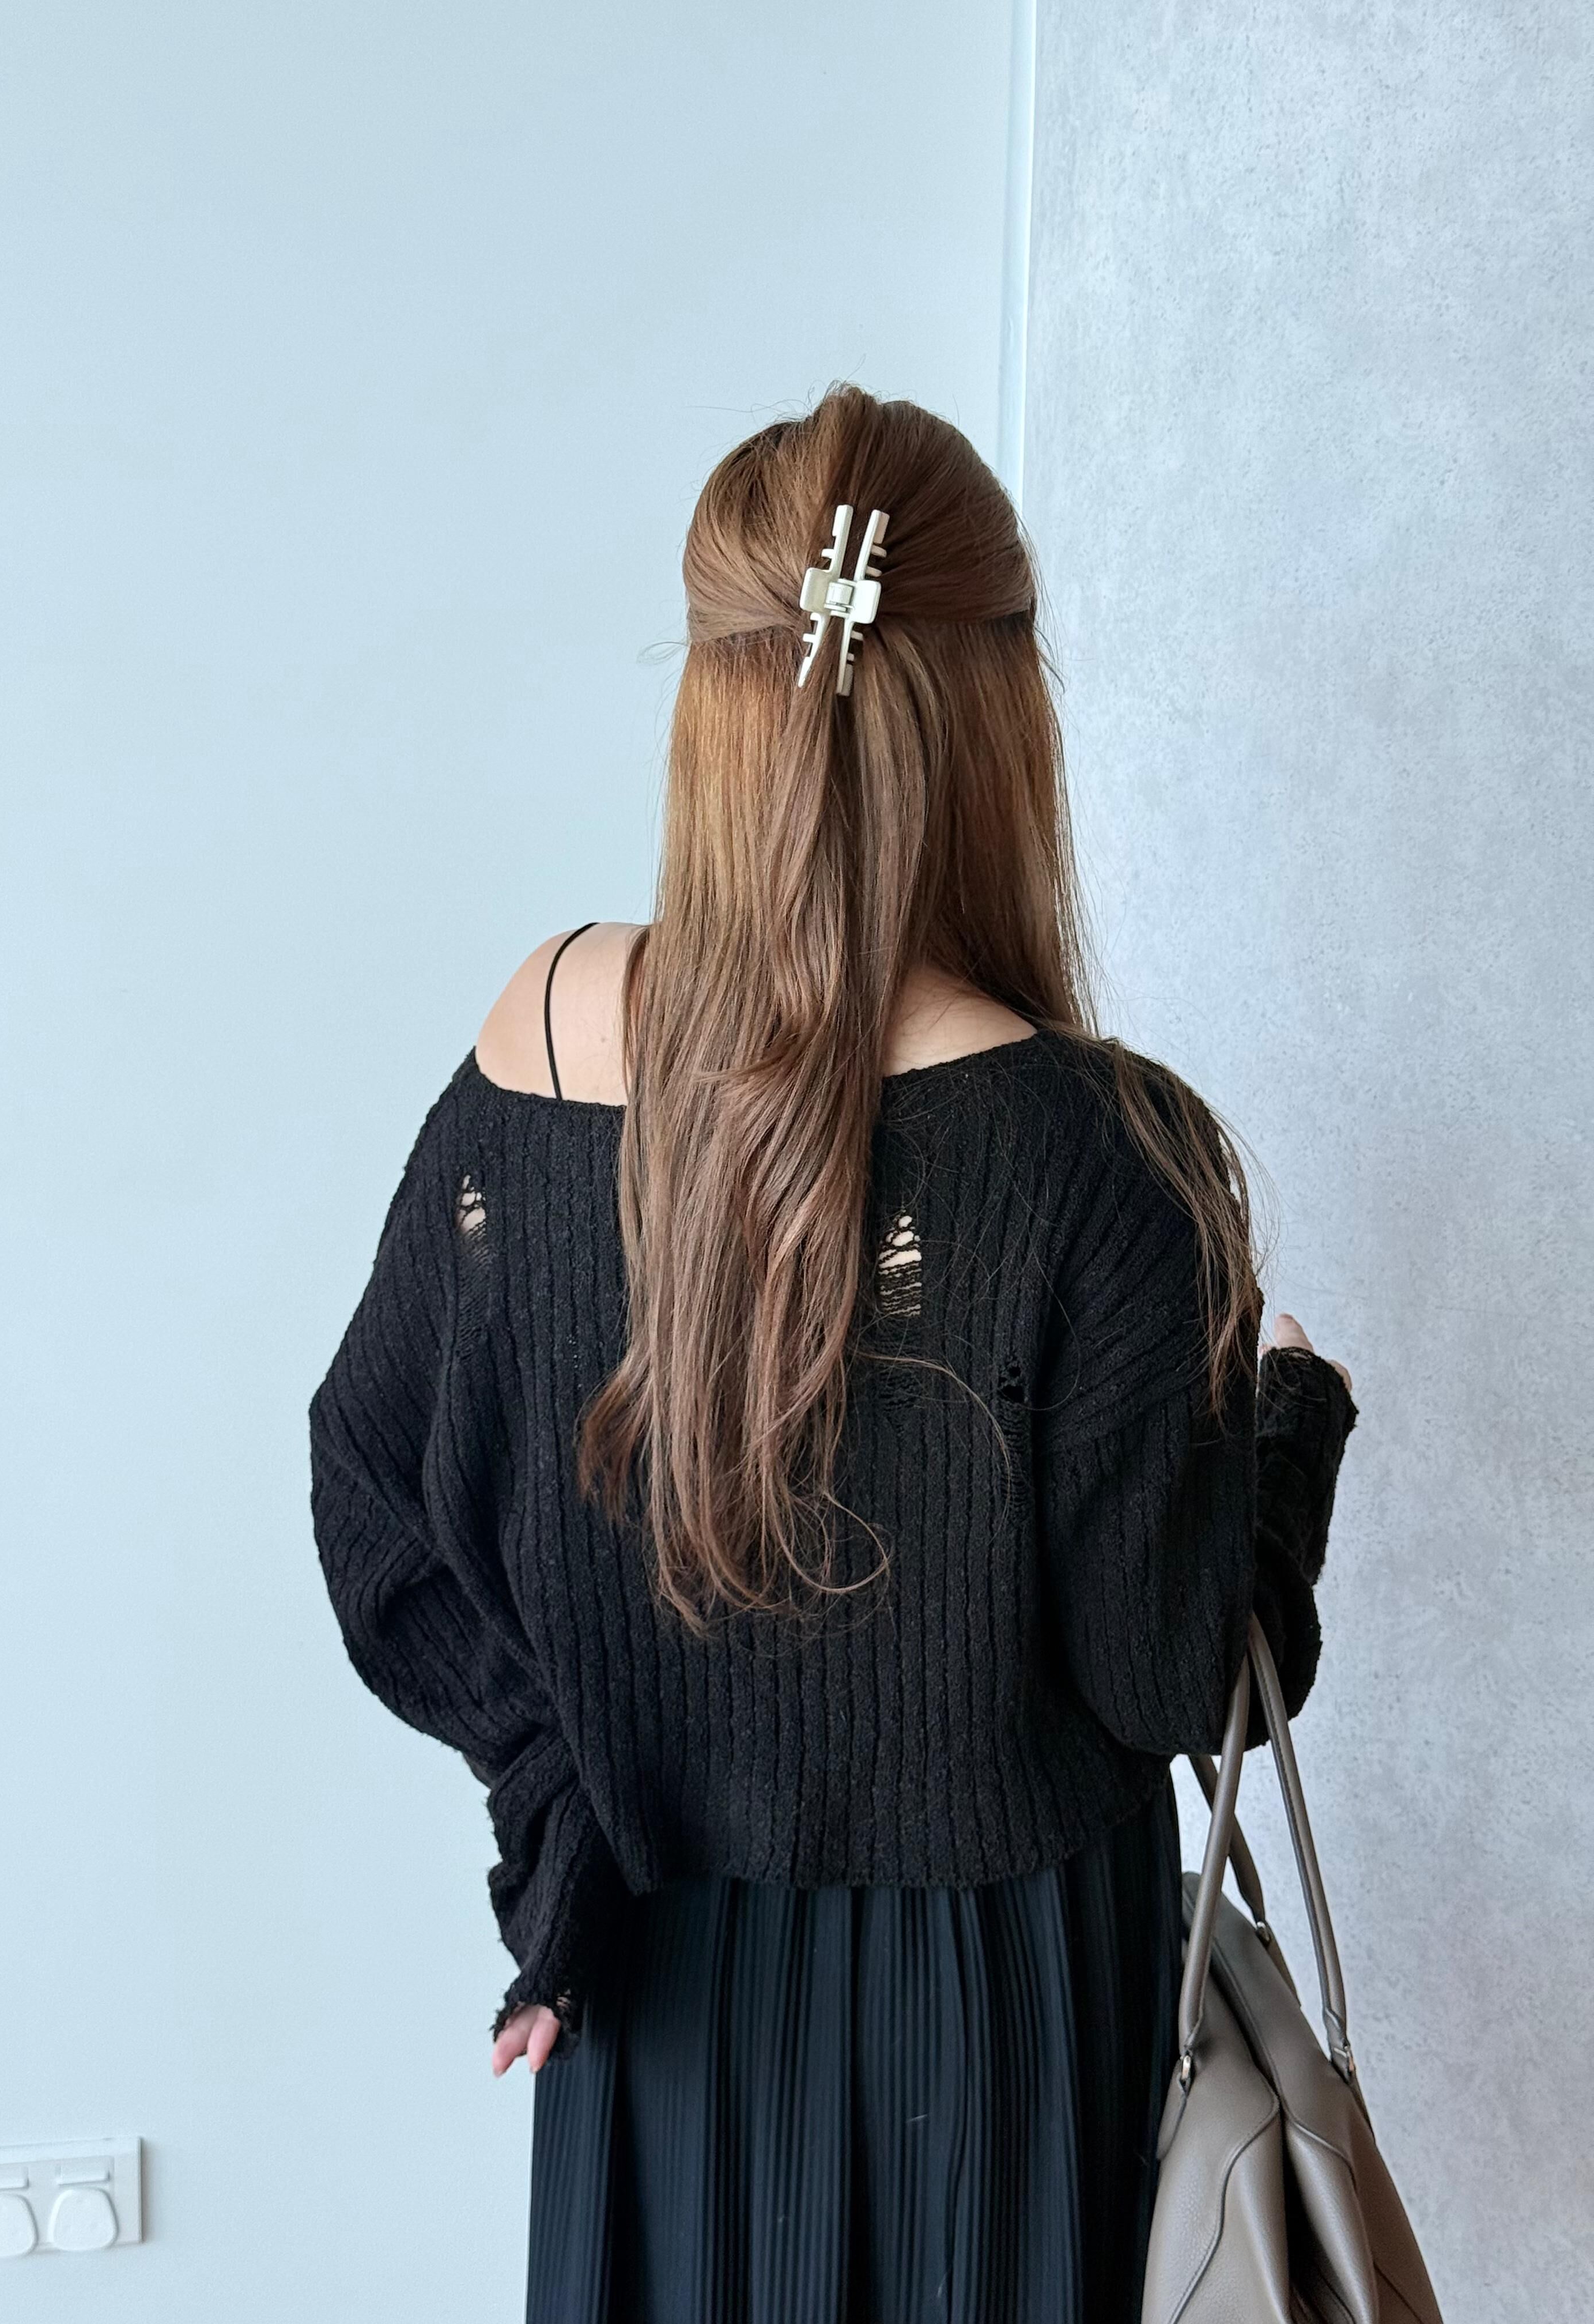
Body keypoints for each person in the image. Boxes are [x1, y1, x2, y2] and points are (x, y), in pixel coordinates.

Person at [307, 382, 1358, 2323]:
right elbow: (1177, 1680)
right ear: (1001, 709)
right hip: (1004, 2030)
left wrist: (554, 1810)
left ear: (710, 694)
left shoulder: (544, 1034)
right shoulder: (1106, 1151)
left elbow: (374, 1502)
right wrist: (1294, 1429)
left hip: (647, 1989)